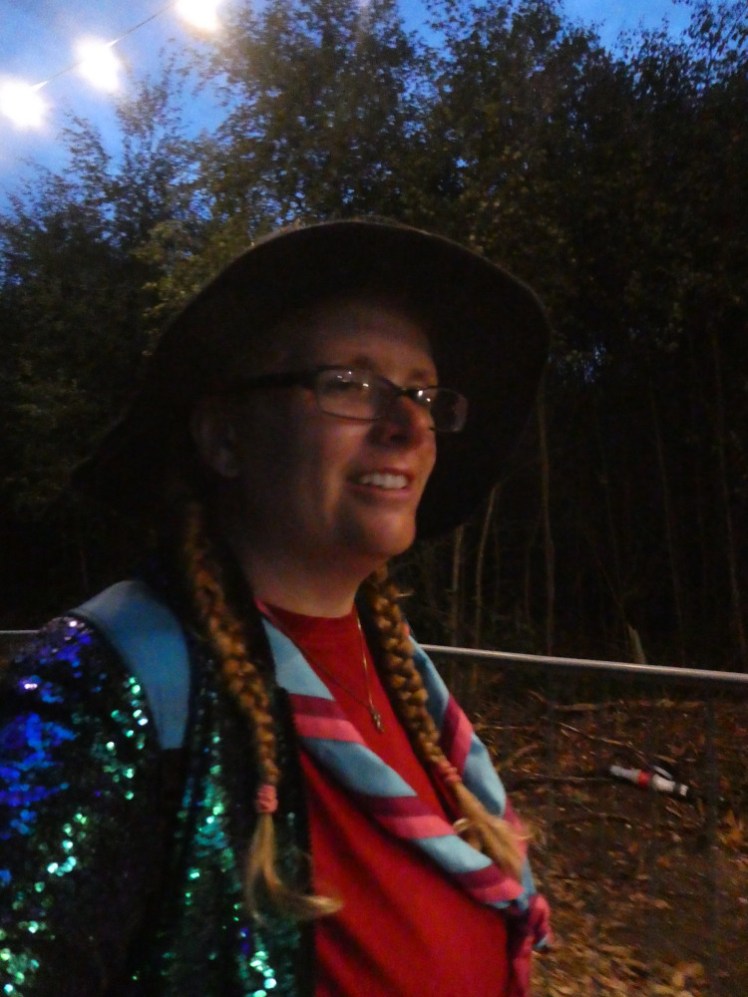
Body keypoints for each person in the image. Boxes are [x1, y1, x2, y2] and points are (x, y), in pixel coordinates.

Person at [0, 219, 551, 996]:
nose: (408, 424)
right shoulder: (104, 679)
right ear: (225, 437)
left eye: (422, 392)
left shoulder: (402, 673)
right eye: (351, 384)